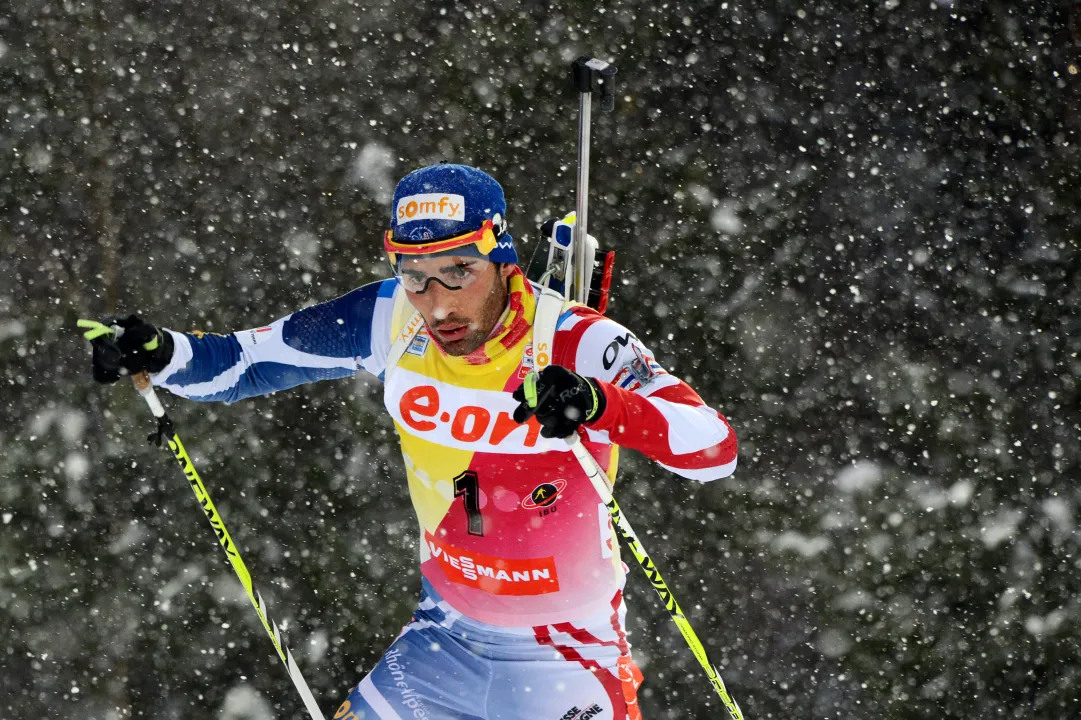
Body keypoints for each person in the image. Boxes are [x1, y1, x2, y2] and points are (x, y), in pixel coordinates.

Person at [86, 164, 738, 720]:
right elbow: (242, 363)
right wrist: (162, 352)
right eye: (415, 273)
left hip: (564, 653)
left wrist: (600, 404)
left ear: (500, 255)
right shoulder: (387, 319)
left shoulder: (573, 338)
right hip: (441, 643)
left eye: (458, 271)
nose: (438, 303)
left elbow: (712, 450)